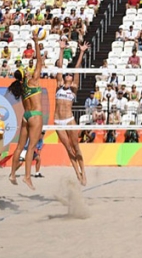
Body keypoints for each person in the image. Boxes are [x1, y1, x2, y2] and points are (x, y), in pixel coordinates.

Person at [7, 30, 46, 189]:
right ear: (25, 75)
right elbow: (39, 61)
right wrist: (36, 42)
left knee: (19, 147)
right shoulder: (33, 81)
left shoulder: (21, 87)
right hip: (35, 116)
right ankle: (27, 177)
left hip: (25, 116)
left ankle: (12, 174)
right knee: (31, 148)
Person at [54, 40, 89, 185]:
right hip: (57, 121)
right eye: (66, 75)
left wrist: (81, 52)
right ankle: (77, 174)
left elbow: (77, 69)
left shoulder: (73, 88)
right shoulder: (59, 86)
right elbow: (60, 67)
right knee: (68, 149)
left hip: (69, 119)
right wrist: (61, 50)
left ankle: (84, 173)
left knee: (76, 146)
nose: (68, 75)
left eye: (69, 75)